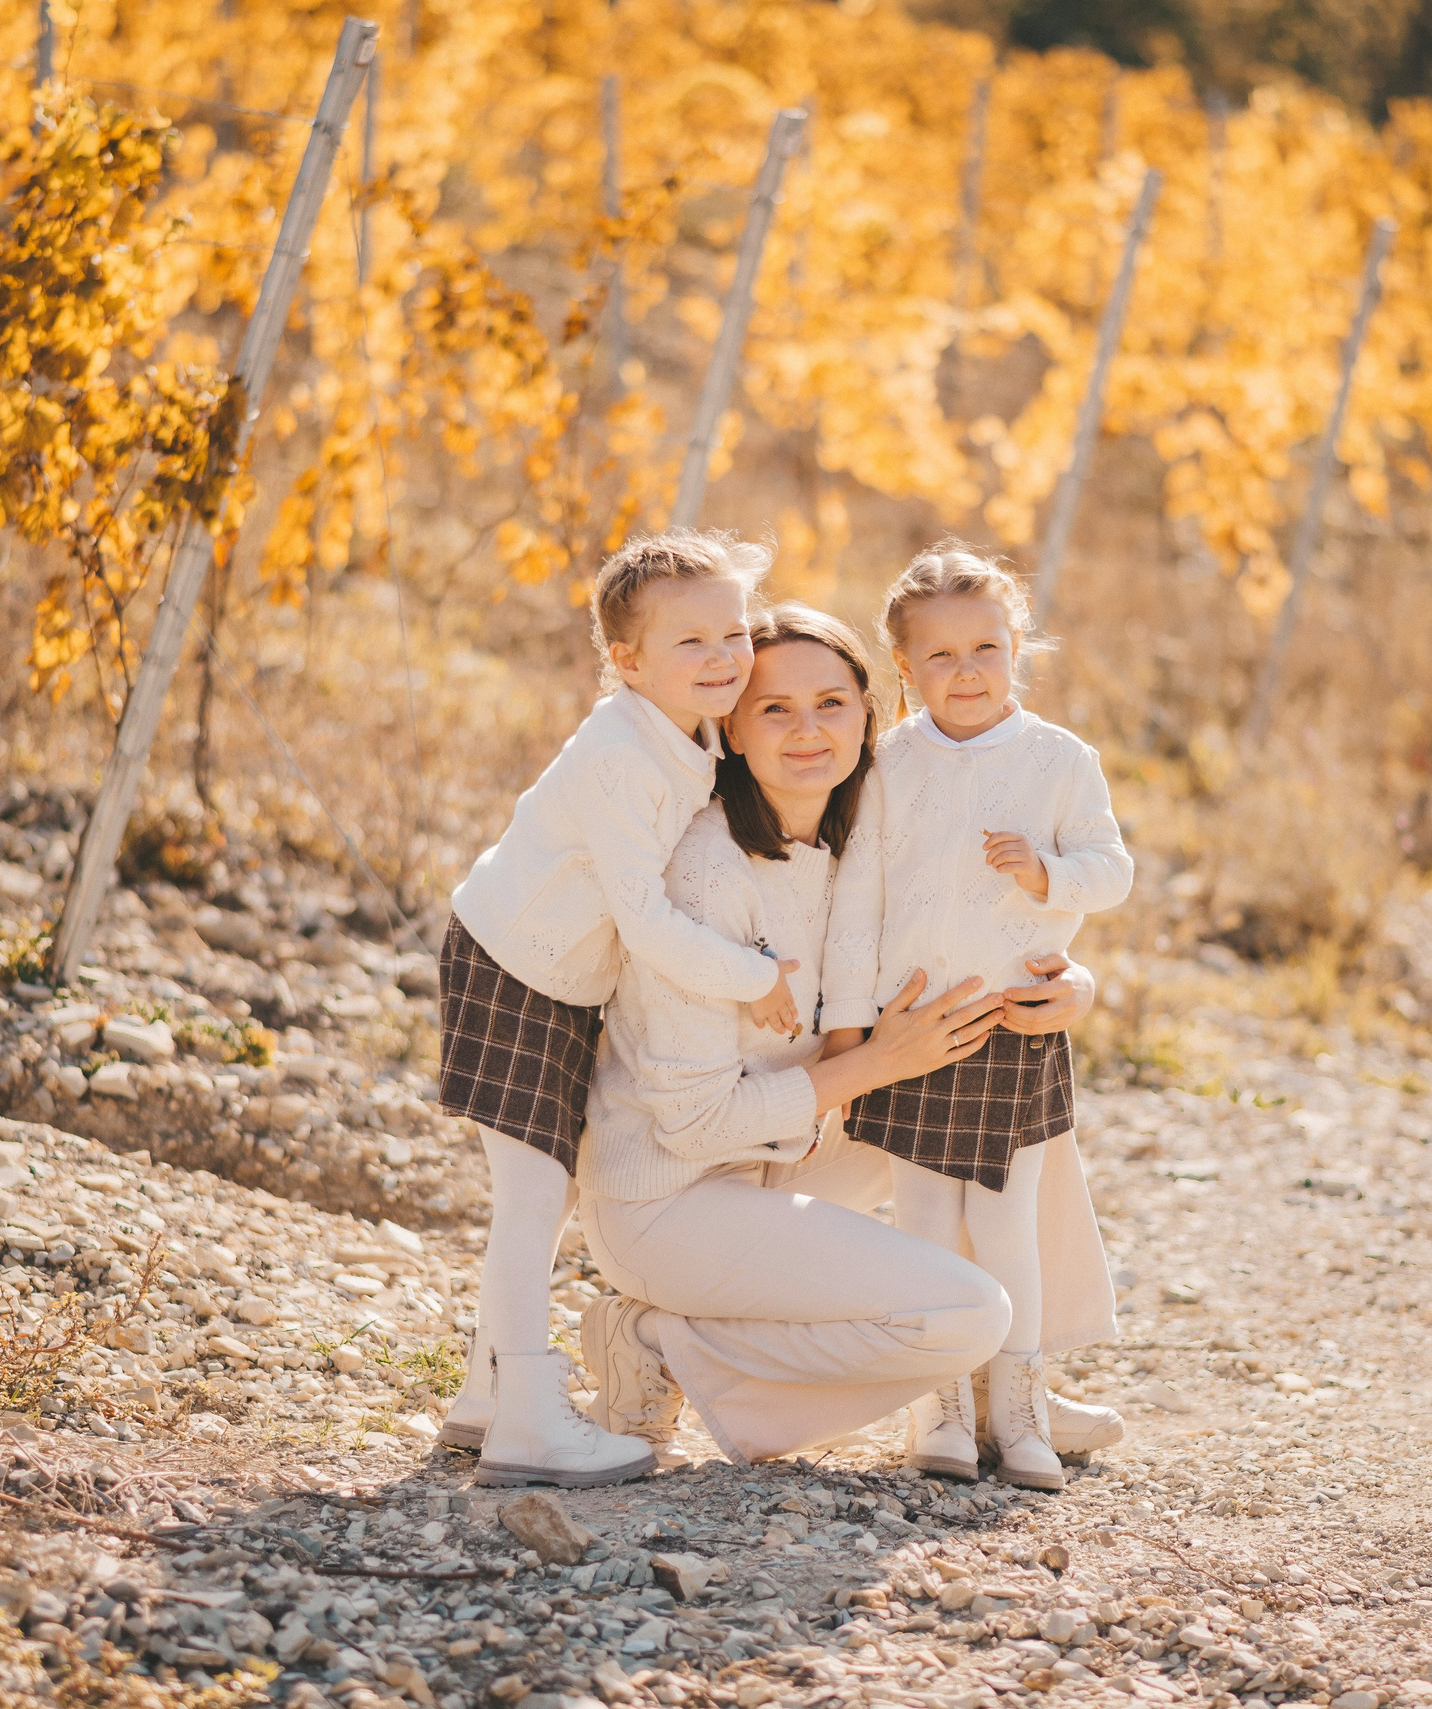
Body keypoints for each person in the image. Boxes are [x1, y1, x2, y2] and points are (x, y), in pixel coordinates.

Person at [572, 606, 1023, 1463]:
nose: (809, 729)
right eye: (775, 709)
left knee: (976, 1132)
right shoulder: (709, 872)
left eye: (832, 702)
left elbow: (1000, 926)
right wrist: (876, 1063)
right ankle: (667, 1340)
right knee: (967, 1313)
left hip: (778, 1160)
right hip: (668, 1198)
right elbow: (690, 1124)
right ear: (731, 730)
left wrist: (1070, 982)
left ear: (871, 716)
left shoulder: (857, 848)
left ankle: (1025, 1379)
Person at [435, 531, 805, 1489]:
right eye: (692, 643)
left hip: (565, 978)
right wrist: (752, 974)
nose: (724, 657)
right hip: (513, 965)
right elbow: (643, 919)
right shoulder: (619, 755)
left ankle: (483, 1395)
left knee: (547, 1194)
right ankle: (525, 1420)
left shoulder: (696, 728)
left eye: (734, 632)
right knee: (531, 1197)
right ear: (626, 662)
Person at [823, 544, 1133, 1491]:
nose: (967, 673)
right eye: (942, 657)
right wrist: (849, 1025)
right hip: (915, 1023)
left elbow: (1111, 869)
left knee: (1006, 1225)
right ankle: (942, 1405)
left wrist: (1047, 875)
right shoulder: (888, 764)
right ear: (905, 670)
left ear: (1017, 650)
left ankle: (1024, 1410)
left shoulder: (1057, 760)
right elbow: (856, 900)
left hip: (1009, 1020)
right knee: (925, 1220)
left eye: (987, 649)